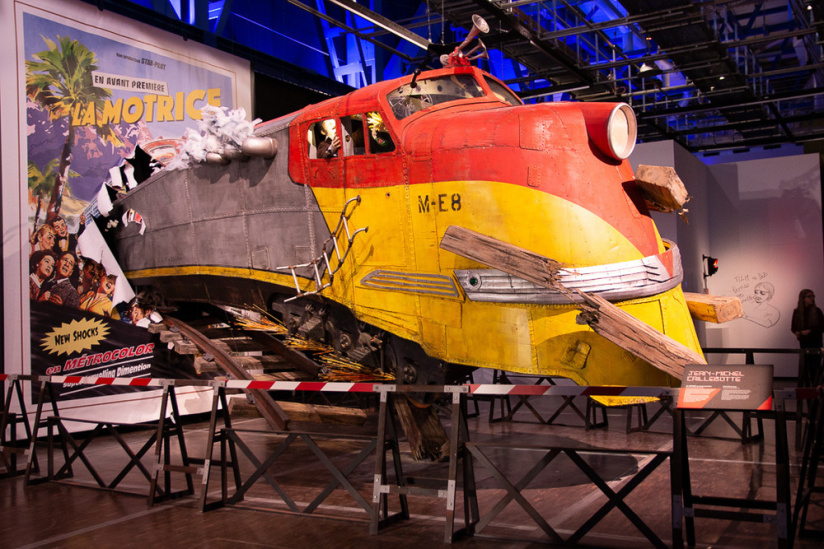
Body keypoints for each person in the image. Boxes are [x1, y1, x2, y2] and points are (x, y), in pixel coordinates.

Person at [791, 289, 824, 386]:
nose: (812, 299)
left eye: (813, 296)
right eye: (809, 296)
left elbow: (822, 327)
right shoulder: (797, 312)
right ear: (803, 298)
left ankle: (816, 389)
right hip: (804, 343)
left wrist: (810, 331)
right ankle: (806, 390)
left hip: (815, 343)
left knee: (815, 367)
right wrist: (797, 332)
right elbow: (793, 327)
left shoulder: (817, 311)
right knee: (805, 368)